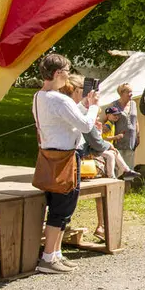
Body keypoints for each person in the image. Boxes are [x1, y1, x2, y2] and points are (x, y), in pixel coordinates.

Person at [32, 54, 99, 274]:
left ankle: (56, 254)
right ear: (59, 73)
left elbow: (67, 119)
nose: (68, 76)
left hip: (49, 156)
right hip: (65, 158)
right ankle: (48, 258)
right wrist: (94, 107)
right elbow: (86, 125)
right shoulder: (59, 99)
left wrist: (83, 104)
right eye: (67, 71)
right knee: (62, 209)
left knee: (61, 208)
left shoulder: (40, 96)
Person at [111, 83, 139, 169]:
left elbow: (136, 121)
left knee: (129, 167)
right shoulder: (114, 105)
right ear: (122, 93)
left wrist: (138, 135)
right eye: (129, 92)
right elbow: (107, 119)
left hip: (131, 140)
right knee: (117, 166)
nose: (131, 94)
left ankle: (128, 182)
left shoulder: (133, 104)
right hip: (118, 141)